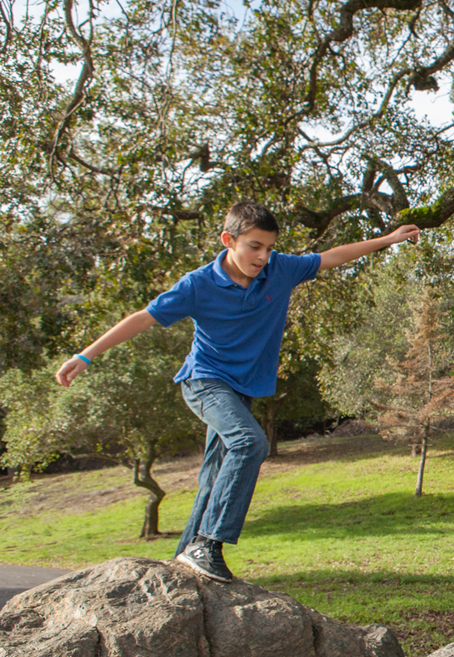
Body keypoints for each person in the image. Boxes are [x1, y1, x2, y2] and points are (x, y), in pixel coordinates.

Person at [55, 203, 420, 582]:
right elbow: (144, 318)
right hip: (204, 382)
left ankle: (186, 555)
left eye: (269, 248)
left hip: (240, 390)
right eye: (254, 246)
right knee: (250, 442)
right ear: (228, 240)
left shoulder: (279, 270)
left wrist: (389, 240)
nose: (263, 257)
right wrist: (86, 355)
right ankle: (209, 544)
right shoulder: (198, 284)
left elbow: (333, 256)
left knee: (214, 475)